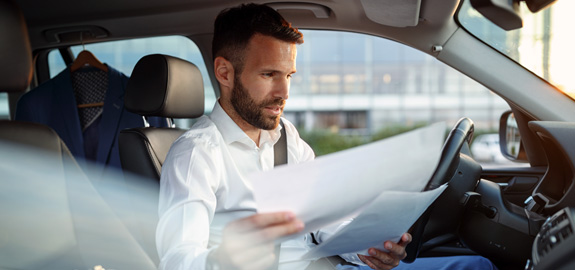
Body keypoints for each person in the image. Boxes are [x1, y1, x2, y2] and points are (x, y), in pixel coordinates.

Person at [156, 3, 497, 270]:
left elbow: (321, 222)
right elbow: (177, 259)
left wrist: (367, 248)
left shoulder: (286, 136)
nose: (283, 92)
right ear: (224, 72)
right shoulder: (196, 154)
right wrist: (223, 262)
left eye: (289, 75)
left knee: (476, 265)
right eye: (269, 74)